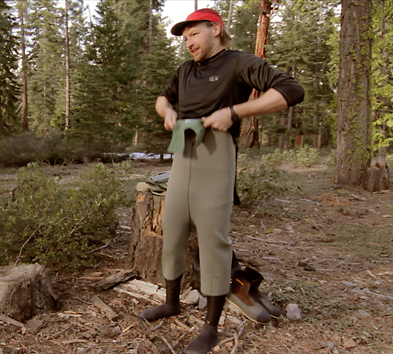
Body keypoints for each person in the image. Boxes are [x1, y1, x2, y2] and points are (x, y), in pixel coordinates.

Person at [138, 8, 304, 354]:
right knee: (173, 228)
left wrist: (234, 112)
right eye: (185, 38)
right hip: (183, 148)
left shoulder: (239, 63)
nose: (188, 43)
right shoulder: (185, 70)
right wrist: (168, 112)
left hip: (216, 152)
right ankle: (171, 303)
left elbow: (291, 90)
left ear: (215, 28)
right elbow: (163, 98)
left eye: (194, 34)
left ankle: (210, 328)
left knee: (212, 238)